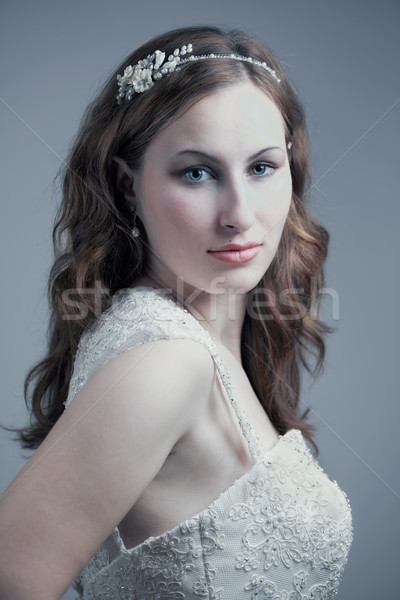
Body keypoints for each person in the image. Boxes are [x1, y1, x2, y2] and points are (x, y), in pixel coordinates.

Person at [0, 25, 353, 599]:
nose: (239, 213)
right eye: (197, 172)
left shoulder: (207, 340)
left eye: (261, 167)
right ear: (127, 186)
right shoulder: (167, 363)